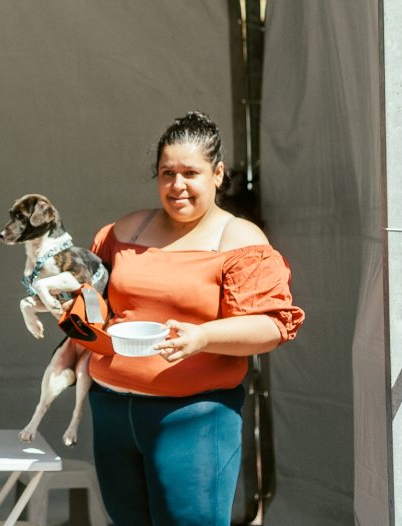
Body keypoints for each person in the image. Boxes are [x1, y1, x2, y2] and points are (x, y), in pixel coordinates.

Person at [59, 111, 303, 526]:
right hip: (113, 413)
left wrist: (201, 337)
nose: (177, 186)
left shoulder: (239, 239)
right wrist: (69, 323)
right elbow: (92, 301)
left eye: (191, 172)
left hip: (195, 418)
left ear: (218, 173)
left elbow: (272, 326)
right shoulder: (125, 230)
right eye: (167, 173)